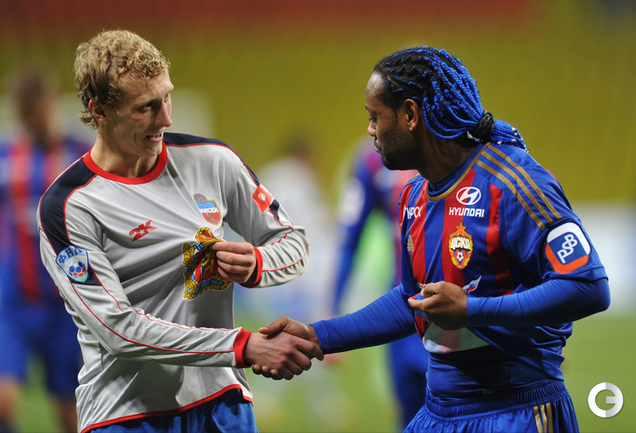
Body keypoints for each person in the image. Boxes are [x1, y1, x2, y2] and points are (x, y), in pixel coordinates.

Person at [254, 46, 611, 433]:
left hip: (515, 411)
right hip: (439, 412)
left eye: (375, 117)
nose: (370, 131)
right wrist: (317, 336)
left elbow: (588, 286)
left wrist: (473, 310)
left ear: (410, 115)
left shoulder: (513, 183)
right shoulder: (413, 197)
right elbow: (412, 301)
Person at [37, 29, 322, 433]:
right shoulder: (69, 205)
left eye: (166, 97)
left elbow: (294, 242)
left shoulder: (213, 161)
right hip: (126, 412)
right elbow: (118, 329)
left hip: (222, 402)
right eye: (145, 107)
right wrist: (240, 346)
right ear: (99, 111)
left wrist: (257, 263)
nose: (166, 118)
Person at [0, 66, 90, 433]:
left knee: (70, 412)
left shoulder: (81, 155)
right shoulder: (7, 154)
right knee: (3, 401)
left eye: (34, 113)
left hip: (64, 301)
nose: (30, 123)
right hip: (14, 300)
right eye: (23, 116)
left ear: (51, 105)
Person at [331, 137, 426, 429]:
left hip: (457, 313)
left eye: (376, 116)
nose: (371, 128)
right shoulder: (372, 159)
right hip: (402, 310)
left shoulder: (456, 146)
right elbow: (349, 239)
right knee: (409, 418)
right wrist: (331, 308)